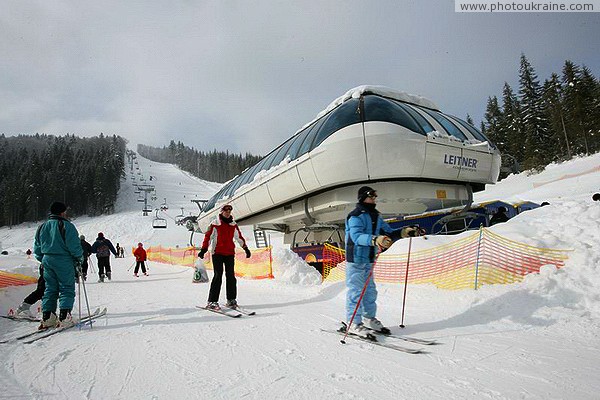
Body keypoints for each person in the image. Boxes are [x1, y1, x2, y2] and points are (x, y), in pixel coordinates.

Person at [344, 186, 422, 337]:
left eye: (375, 196)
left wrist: (404, 232)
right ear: (362, 198)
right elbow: (356, 237)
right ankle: (353, 321)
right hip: (355, 259)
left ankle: (368, 318)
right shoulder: (355, 216)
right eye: (370, 196)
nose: (374, 199)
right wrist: (374, 239)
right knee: (356, 291)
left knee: (370, 292)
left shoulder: (376, 216)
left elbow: (388, 233)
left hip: (368, 259)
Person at [33, 201, 83, 329]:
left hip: (47, 260)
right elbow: (74, 246)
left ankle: (48, 316)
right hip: (63, 260)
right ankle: (64, 316)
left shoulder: (42, 226)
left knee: (50, 288)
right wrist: (79, 258)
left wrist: (43, 259)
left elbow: (37, 248)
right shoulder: (66, 225)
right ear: (62, 212)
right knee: (66, 287)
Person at [198, 204, 251, 310]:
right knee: (218, 275)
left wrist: (245, 248)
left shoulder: (233, 224)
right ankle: (212, 301)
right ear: (221, 212)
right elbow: (208, 237)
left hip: (229, 253)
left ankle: (231, 299)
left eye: (229, 211)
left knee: (231, 276)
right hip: (217, 253)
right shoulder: (215, 224)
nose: (228, 213)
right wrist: (204, 250)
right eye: (226, 211)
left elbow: (239, 237)